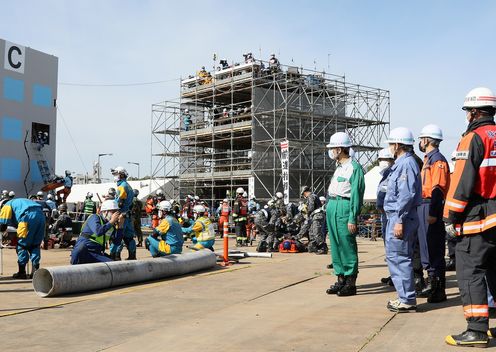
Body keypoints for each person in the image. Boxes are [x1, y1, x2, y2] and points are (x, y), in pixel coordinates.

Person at [444, 87, 496, 347]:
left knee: (471, 271)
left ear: (474, 112)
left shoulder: (473, 138)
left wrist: (450, 216)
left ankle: (476, 330)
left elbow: (462, 182)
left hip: (480, 218)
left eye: (468, 112)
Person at [382, 127, 421, 312]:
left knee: (399, 257)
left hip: (401, 218)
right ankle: (404, 296)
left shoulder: (406, 164)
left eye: (391, 144)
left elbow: (406, 195)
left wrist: (399, 220)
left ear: (397, 144)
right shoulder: (402, 163)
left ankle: (407, 299)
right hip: (398, 217)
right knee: (395, 257)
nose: (390, 147)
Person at [325, 132, 365, 297]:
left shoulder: (354, 168)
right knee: (335, 244)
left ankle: (350, 282)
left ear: (340, 149)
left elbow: (356, 195)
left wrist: (352, 217)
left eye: (333, 148)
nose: (331, 151)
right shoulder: (339, 167)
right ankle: (340, 279)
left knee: (347, 245)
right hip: (333, 205)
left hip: (344, 206)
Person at [416, 124, 450, 303]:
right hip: (424, 204)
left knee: (433, 247)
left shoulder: (437, 160)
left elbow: (437, 189)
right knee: (426, 248)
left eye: (422, 139)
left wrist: (434, 212)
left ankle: (437, 287)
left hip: (430, 205)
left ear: (427, 140)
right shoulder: (428, 159)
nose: (420, 142)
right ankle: (432, 283)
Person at [0, 198, 45, 279]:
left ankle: (22, 273)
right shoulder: (20, 202)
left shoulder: (7, 205)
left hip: (26, 218)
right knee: (35, 245)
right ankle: (35, 272)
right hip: (41, 217)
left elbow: (2, 225)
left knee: (22, 245)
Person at [70, 200, 124, 264]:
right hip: (84, 250)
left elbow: (117, 242)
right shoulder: (94, 217)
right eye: (113, 212)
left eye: (117, 212)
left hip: (96, 252)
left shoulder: (111, 226)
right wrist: (111, 222)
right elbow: (98, 232)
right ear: (105, 212)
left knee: (112, 265)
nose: (116, 215)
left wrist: (120, 226)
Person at [376, 148, 395, 286]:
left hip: (390, 214)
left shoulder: (393, 173)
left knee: (394, 247)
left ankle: (397, 276)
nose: (382, 162)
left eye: (385, 160)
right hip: (385, 215)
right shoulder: (385, 174)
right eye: (380, 160)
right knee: (388, 247)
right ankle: (393, 274)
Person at [109, 166, 136, 260]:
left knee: (117, 235)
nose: (114, 176)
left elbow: (120, 202)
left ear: (121, 174)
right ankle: (132, 256)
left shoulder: (122, 186)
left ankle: (114, 257)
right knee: (129, 237)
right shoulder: (128, 185)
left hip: (121, 215)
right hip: (128, 215)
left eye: (116, 174)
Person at [299, 186, 328, 254]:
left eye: (303, 194)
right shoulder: (313, 196)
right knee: (311, 232)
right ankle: (313, 247)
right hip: (314, 216)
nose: (304, 196)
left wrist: (304, 210)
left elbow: (311, 208)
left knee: (316, 232)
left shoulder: (311, 196)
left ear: (305, 192)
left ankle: (323, 247)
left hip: (317, 216)